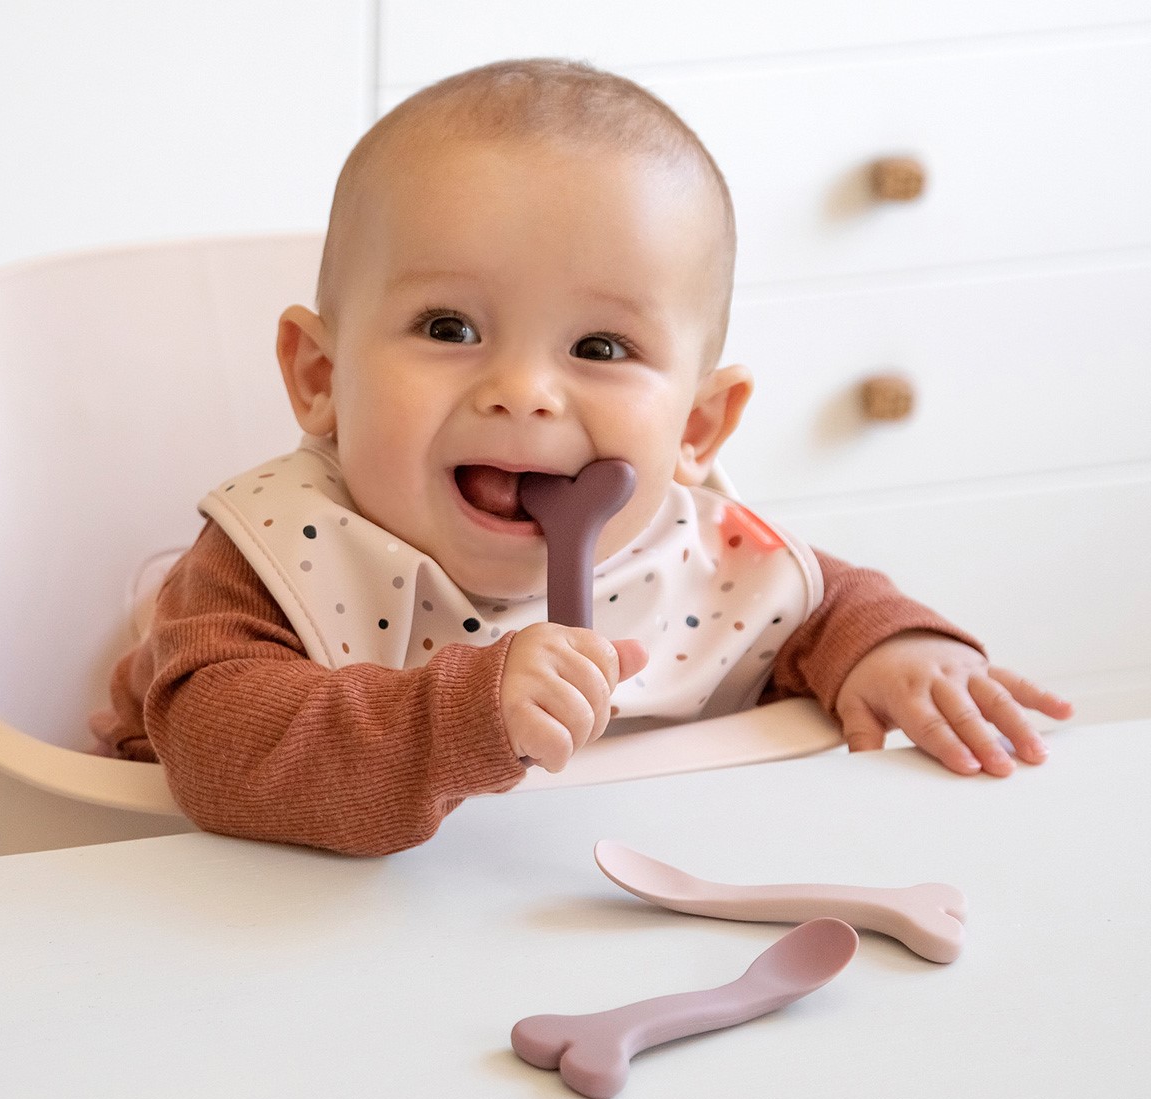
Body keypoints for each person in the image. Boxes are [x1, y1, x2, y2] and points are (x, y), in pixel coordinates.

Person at [92, 59, 1072, 855]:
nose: (523, 389)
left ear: (696, 430)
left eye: (600, 347)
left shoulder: (706, 557)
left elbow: (823, 607)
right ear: (319, 377)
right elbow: (220, 755)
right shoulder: (274, 557)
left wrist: (896, 651)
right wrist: (463, 717)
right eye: (449, 327)